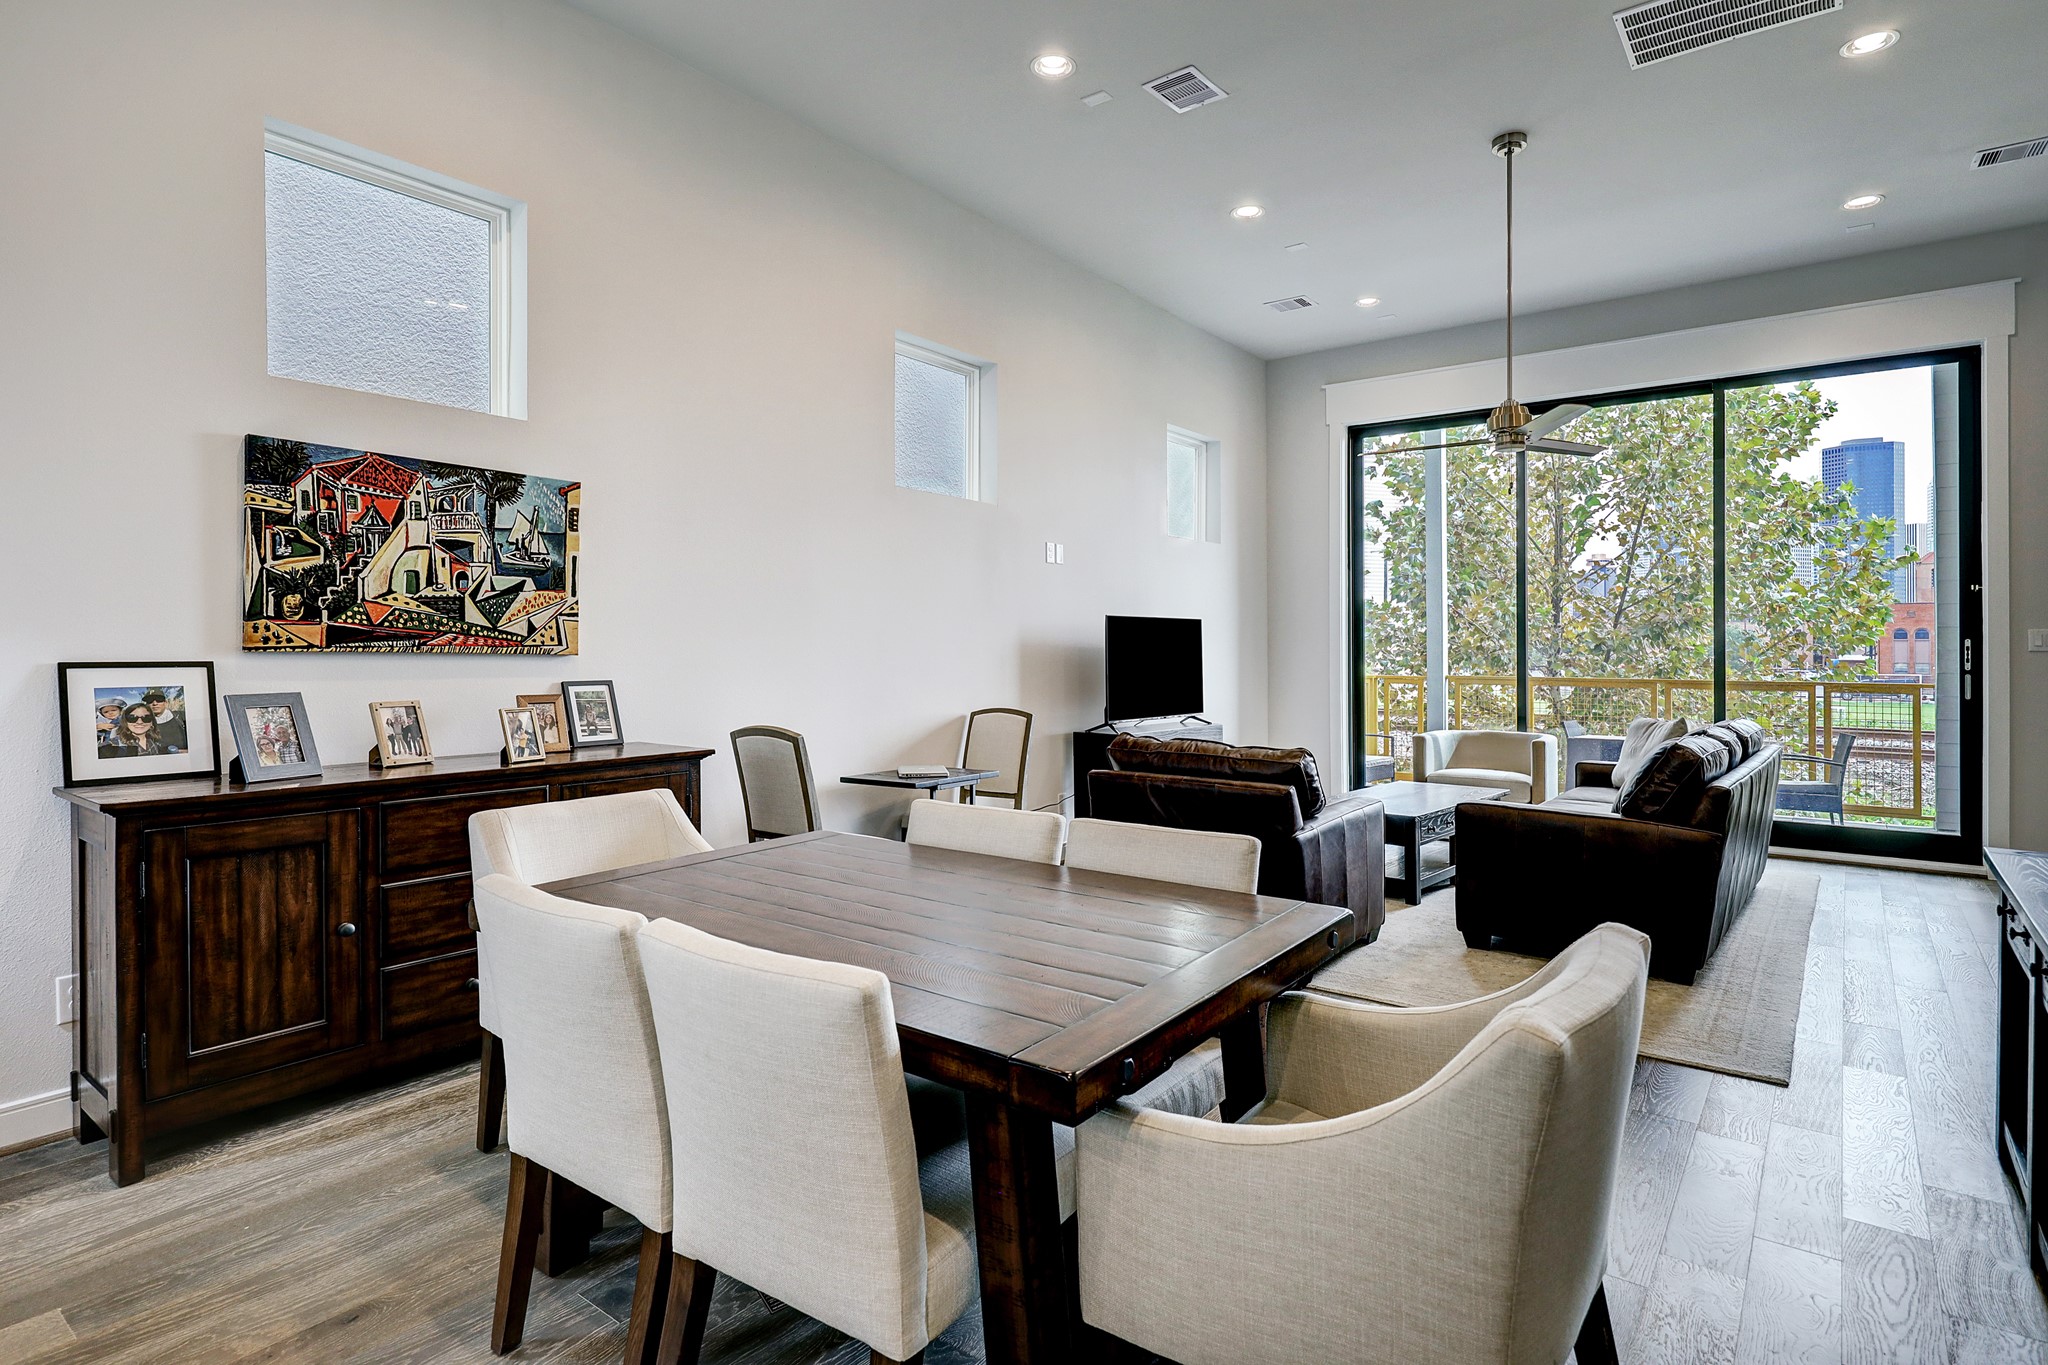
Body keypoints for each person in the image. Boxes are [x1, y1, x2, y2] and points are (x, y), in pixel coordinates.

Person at [100, 704, 173, 759]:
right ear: (125, 721)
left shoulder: (155, 741)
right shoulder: (112, 746)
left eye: (146, 718)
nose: (139, 722)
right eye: (132, 718)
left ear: (151, 722)